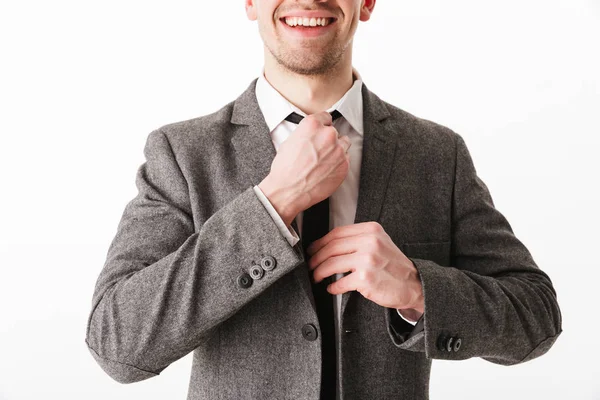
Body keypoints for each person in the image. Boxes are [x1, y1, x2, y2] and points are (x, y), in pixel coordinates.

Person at [84, 1, 563, 399]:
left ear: (368, 3)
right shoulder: (183, 153)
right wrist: (271, 205)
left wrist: (418, 289)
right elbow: (117, 343)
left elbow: (536, 316)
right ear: (251, 3)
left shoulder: (436, 154)